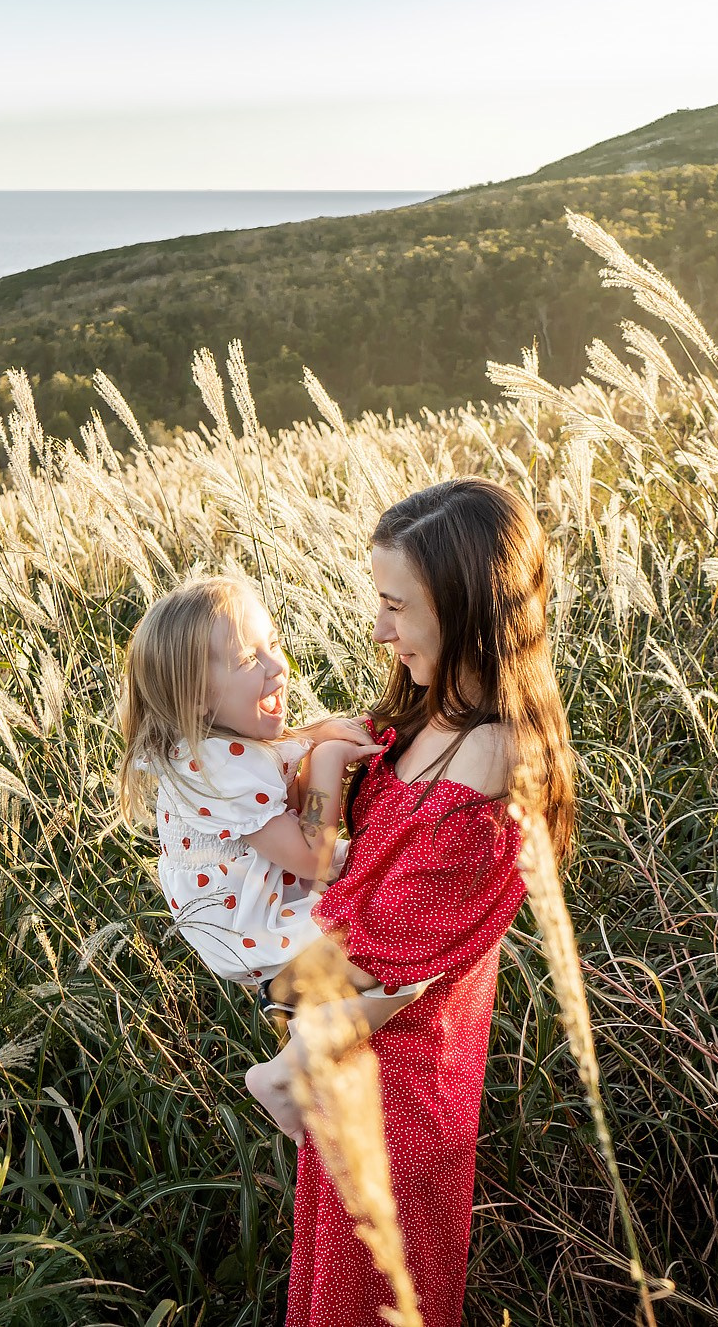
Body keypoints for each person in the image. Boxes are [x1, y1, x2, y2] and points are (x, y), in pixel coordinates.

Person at [272, 477, 576, 1327]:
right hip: (341, 1077)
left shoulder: (494, 759)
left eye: (397, 606)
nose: (380, 629)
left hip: (399, 1110)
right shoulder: (417, 719)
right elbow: (321, 862)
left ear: (467, 603)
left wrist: (271, 966)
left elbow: (378, 949)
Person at [115, 576, 398, 1039]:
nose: (277, 666)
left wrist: (312, 747)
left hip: (271, 887)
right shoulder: (217, 771)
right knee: (398, 944)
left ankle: (306, 1028)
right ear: (198, 698)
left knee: (392, 901)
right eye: (249, 659)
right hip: (258, 927)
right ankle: (291, 1051)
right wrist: (324, 760)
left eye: (273, 644)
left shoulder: (227, 742)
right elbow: (313, 860)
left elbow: (299, 826)